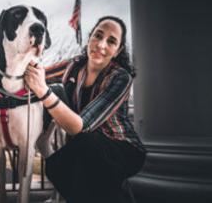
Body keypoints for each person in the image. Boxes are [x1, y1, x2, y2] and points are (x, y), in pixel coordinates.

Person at [24, 16, 146, 203]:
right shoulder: (74, 66)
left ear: (118, 50)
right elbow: (40, 73)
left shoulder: (120, 78)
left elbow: (80, 127)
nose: (101, 45)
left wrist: (42, 90)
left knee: (85, 148)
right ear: (90, 38)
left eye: (111, 41)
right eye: (98, 35)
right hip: (87, 145)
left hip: (123, 149)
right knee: (55, 166)